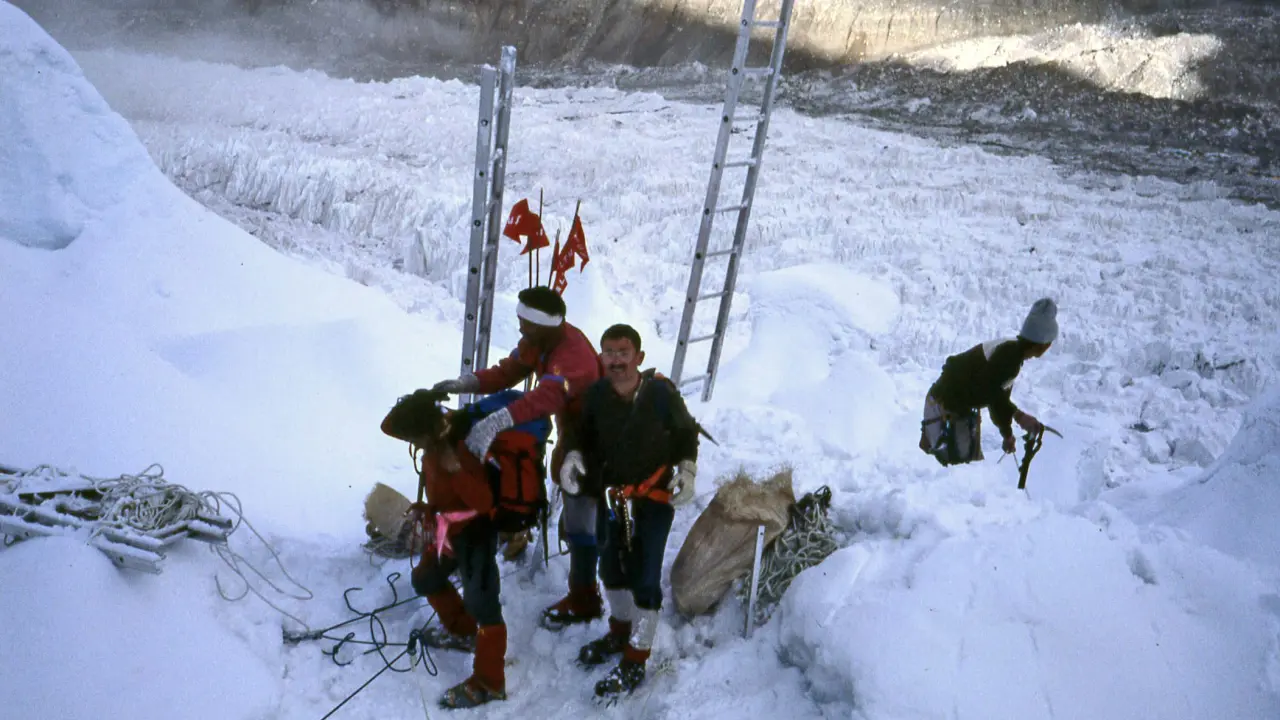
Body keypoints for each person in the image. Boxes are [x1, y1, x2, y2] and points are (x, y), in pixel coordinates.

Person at [431, 286, 606, 628]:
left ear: (544, 325)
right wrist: (466, 383)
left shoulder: (574, 358)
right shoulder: (541, 340)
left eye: (526, 323)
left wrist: (496, 422)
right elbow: (509, 371)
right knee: (576, 509)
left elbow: (544, 398)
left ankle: (585, 595)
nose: (520, 328)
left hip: (594, 437)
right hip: (572, 430)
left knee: (581, 514)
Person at [559, 323, 701, 700]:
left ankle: (637, 657)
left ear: (639, 357)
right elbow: (580, 434)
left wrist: (687, 469)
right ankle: (620, 631)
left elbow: (685, 432)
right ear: (601, 357)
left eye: (623, 353)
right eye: (609, 352)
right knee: (610, 568)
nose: (616, 360)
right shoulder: (596, 396)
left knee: (645, 574)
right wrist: (573, 456)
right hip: (611, 497)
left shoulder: (660, 395)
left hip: (652, 497)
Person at [379, 389, 507, 710]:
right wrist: (429, 508)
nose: (411, 443)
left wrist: (457, 471)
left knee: (483, 605)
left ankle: (490, 682)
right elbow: (388, 425)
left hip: (476, 534)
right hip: (449, 532)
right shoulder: (432, 447)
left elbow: (483, 501)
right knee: (426, 578)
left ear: (425, 431)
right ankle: (463, 632)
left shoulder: (462, 448)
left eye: (413, 437)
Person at [920, 297, 1058, 465]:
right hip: (944, 408)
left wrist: (1007, 433)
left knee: (962, 464)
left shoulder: (1011, 352)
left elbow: (996, 397)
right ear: (1043, 344)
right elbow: (989, 393)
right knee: (957, 465)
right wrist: (1018, 416)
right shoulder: (1009, 356)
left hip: (948, 405)